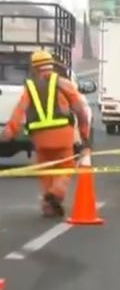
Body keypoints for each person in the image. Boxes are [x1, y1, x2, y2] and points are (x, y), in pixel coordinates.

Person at [0, 51, 91, 217]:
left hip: (40, 138)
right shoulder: (63, 84)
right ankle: (55, 194)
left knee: (45, 169)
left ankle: (48, 204)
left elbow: (19, 110)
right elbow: (80, 109)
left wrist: (10, 130)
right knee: (65, 166)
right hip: (63, 135)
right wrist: (84, 133)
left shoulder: (31, 88)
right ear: (52, 65)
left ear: (34, 68)